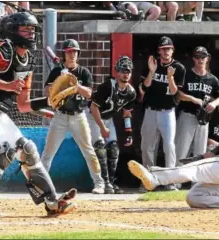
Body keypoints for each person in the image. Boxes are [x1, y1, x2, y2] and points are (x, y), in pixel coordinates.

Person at [0, 12, 77, 217]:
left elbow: (22, 104)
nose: (31, 33)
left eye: (33, 29)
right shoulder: (2, 49)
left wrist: (48, 103)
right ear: (12, 31)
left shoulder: (28, 60)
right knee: (2, 151)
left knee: (26, 148)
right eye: (26, 29)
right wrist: (8, 85)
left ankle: (52, 201)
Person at [40, 39, 105, 194]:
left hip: (79, 116)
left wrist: (75, 85)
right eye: (69, 51)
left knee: (88, 150)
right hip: (60, 116)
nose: (72, 54)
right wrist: (60, 81)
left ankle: (99, 183)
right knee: (48, 152)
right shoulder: (57, 71)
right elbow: (46, 91)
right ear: (64, 54)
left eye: (74, 51)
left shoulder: (83, 72)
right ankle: (40, 184)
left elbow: (89, 94)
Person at [139, 36, 186, 191]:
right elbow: (144, 88)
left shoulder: (178, 67)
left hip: (168, 111)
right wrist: (152, 72)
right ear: (159, 51)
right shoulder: (152, 63)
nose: (166, 52)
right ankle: (149, 180)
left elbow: (174, 92)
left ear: (173, 50)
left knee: (169, 145)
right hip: (151, 110)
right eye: (163, 49)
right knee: (147, 146)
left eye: (169, 49)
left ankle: (170, 181)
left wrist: (170, 77)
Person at [86, 56, 137, 194]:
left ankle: (112, 182)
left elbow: (126, 113)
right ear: (117, 72)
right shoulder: (108, 86)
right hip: (93, 117)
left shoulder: (131, 93)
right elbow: (93, 107)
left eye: (128, 71)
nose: (126, 74)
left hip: (108, 119)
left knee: (114, 149)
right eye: (122, 71)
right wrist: (102, 127)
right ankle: (104, 182)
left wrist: (128, 132)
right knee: (100, 148)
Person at [175, 46, 219, 162]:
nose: (200, 60)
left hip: (203, 119)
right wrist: (192, 99)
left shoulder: (213, 79)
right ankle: (177, 180)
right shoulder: (186, 74)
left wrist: (214, 104)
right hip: (187, 115)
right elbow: (177, 94)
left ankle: (196, 181)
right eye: (197, 57)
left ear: (207, 58)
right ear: (193, 59)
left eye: (203, 57)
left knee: (200, 154)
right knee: (181, 151)